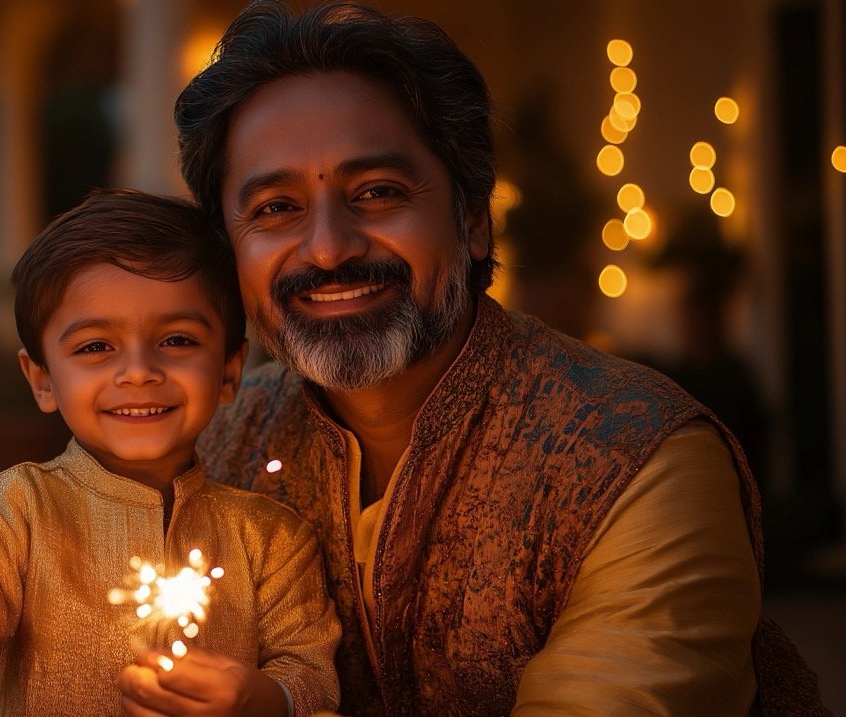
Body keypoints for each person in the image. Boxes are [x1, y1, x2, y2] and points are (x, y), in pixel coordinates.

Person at [119, 1, 827, 715]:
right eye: (275, 207)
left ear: (473, 220)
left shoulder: (637, 459)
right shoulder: (211, 446)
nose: (329, 248)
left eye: (378, 193)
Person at [0, 189, 340, 716]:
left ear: (230, 371)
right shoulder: (13, 509)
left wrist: (260, 700)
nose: (139, 371)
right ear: (44, 380)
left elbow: (311, 676)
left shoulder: (272, 539)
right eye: (95, 347)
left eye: (178, 340)